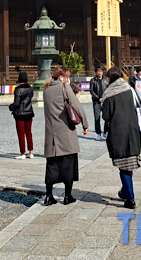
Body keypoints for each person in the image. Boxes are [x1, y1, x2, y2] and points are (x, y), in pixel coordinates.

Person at [43, 67, 88, 205]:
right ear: (61, 77)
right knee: (68, 164)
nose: (67, 79)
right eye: (66, 77)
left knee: (52, 166)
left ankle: (49, 196)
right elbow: (77, 106)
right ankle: (67, 196)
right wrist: (85, 124)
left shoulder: (46, 91)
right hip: (66, 132)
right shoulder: (64, 88)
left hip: (52, 134)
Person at [101, 66, 141, 210]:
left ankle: (130, 198)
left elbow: (106, 116)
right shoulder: (129, 89)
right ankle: (125, 191)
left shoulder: (109, 93)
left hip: (118, 133)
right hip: (132, 130)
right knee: (128, 164)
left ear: (110, 78)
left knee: (124, 166)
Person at [11, 71, 35, 159]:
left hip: (20, 113)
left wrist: (11, 107)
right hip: (29, 112)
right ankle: (31, 152)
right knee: (29, 133)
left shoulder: (17, 90)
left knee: (21, 133)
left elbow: (16, 103)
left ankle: (22, 153)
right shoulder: (30, 89)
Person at [90, 65, 108, 141]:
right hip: (96, 102)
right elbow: (91, 91)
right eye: (98, 71)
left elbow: (108, 89)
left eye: (101, 71)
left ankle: (106, 131)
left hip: (105, 101)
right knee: (97, 118)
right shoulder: (93, 80)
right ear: (96, 72)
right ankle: (98, 133)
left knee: (107, 117)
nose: (100, 73)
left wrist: (104, 98)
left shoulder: (106, 80)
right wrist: (98, 98)